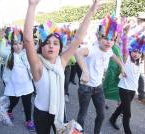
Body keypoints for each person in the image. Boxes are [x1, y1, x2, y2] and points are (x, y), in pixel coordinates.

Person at [23, 0, 107, 133]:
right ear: (41, 46)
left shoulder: (61, 62)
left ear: (60, 47)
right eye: (47, 43)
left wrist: (92, 11)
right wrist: (32, 5)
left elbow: (78, 38)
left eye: (55, 43)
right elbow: (27, 40)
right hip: (42, 114)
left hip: (60, 111)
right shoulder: (37, 65)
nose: (51, 45)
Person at [75, 15, 125, 134]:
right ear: (98, 37)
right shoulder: (93, 49)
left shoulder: (109, 50)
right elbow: (78, 52)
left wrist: (121, 65)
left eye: (112, 39)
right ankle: (79, 132)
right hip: (85, 88)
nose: (109, 41)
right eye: (105, 38)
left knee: (102, 114)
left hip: (98, 88)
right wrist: (85, 71)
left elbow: (113, 56)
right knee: (83, 114)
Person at [109, 32, 145, 134]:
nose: (136, 54)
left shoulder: (139, 60)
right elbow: (124, 46)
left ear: (141, 53)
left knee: (122, 106)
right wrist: (125, 32)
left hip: (132, 91)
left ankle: (113, 118)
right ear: (131, 50)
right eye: (134, 51)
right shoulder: (126, 59)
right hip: (123, 90)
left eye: (139, 52)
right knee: (127, 114)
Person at [3, 29, 35, 131]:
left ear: (23, 44)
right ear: (11, 45)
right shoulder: (9, 55)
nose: (18, 46)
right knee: (14, 101)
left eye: (20, 43)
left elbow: (35, 49)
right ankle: (9, 111)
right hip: (14, 85)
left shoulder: (27, 54)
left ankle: (28, 120)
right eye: (15, 44)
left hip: (26, 85)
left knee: (27, 104)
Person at [128, 12, 145, 105]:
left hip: (138, 56)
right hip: (129, 55)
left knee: (137, 74)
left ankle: (141, 96)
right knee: (128, 73)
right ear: (139, 20)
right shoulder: (134, 30)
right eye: (143, 20)